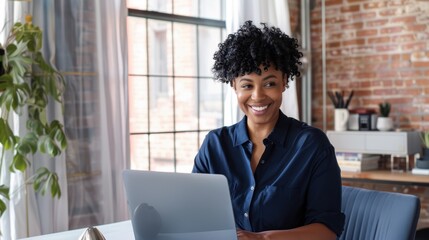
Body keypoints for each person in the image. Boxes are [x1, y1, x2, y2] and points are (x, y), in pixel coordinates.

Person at [192, 20, 345, 240]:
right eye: (247, 85)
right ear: (233, 85)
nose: (258, 96)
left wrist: (261, 238)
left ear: (284, 81)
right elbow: (194, 213)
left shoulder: (312, 146)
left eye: (269, 83)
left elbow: (327, 231)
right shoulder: (215, 144)